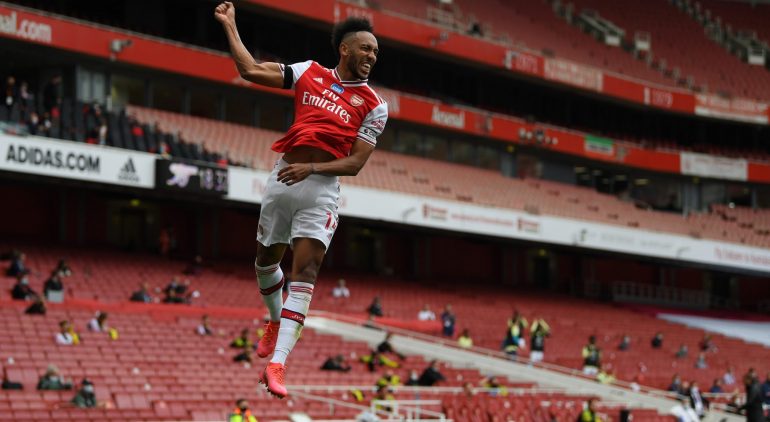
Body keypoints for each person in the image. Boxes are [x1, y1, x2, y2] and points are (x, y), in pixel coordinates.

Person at [215, 1, 389, 399]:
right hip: (283, 179)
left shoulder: (374, 106)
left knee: (305, 272)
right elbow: (249, 70)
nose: (371, 57)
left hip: (320, 189)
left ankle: (277, 364)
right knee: (265, 262)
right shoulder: (308, 72)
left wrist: (312, 171)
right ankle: (275, 320)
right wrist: (230, 25)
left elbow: (356, 163)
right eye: (365, 49)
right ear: (344, 49)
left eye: (376, 52)